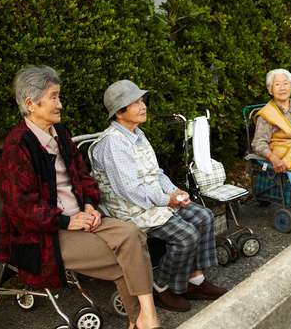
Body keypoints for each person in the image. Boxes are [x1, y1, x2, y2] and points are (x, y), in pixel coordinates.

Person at [0, 66, 160, 329]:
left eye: (59, 97)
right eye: (54, 97)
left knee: (132, 233)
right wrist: (66, 222)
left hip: (83, 216)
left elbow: (83, 176)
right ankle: (142, 321)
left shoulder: (60, 134)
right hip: (44, 234)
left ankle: (144, 318)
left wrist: (90, 204)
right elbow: (20, 206)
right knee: (123, 256)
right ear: (30, 103)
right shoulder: (18, 145)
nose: (60, 104)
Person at [90, 80, 227, 313]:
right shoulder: (113, 143)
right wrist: (167, 199)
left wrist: (173, 190)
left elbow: (156, 172)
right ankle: (161, 286)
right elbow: (129, 191)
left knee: (203, 216)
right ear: (119, 112)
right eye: (134, 103)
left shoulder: (137, 134)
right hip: (130, 209)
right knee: (186, 235)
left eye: (141, 100)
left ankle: (194, 280)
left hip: (153, 199)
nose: (142, 106)